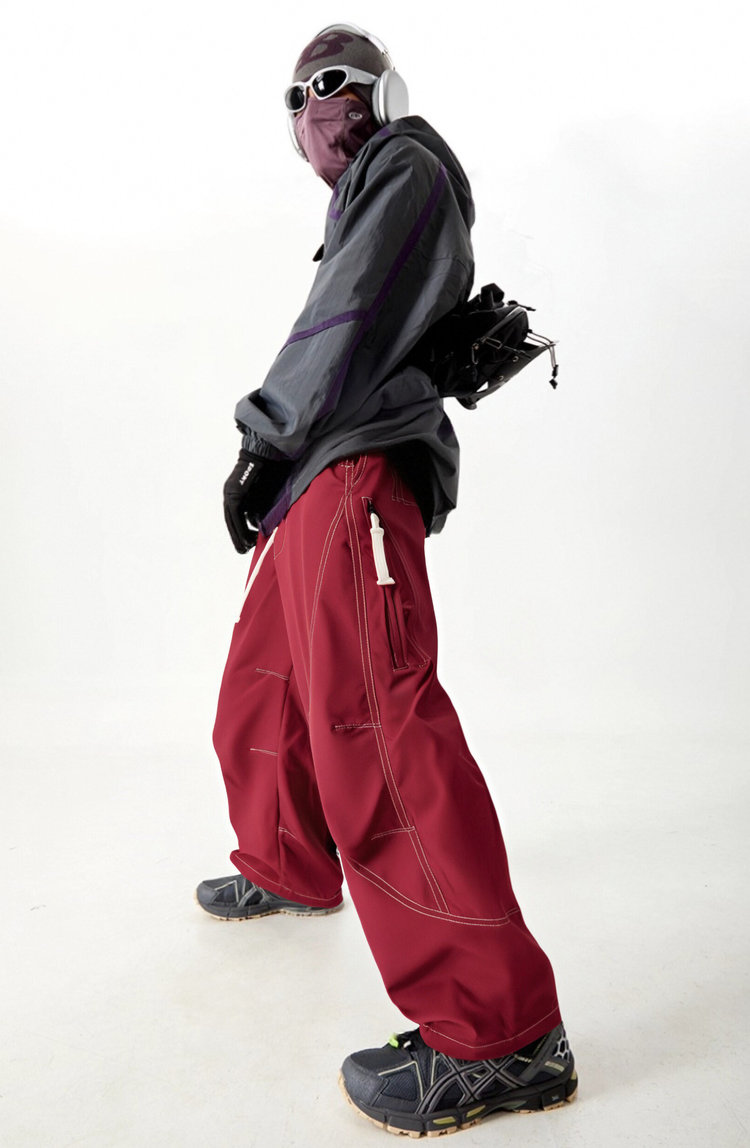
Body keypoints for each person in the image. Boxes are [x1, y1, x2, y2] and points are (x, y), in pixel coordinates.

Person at [197, 23, 577, 1137]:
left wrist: (265, 434)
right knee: (262, 686)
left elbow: (348, 313)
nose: (315, 104)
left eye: (336, 81)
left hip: (350, 471)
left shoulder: (404, 161)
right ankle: (288, 860)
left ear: (381, 91)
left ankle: (501, 1031)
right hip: (318, 473)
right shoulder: (368, 191)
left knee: (377, 730)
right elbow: (369, 314)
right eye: (298, 93)